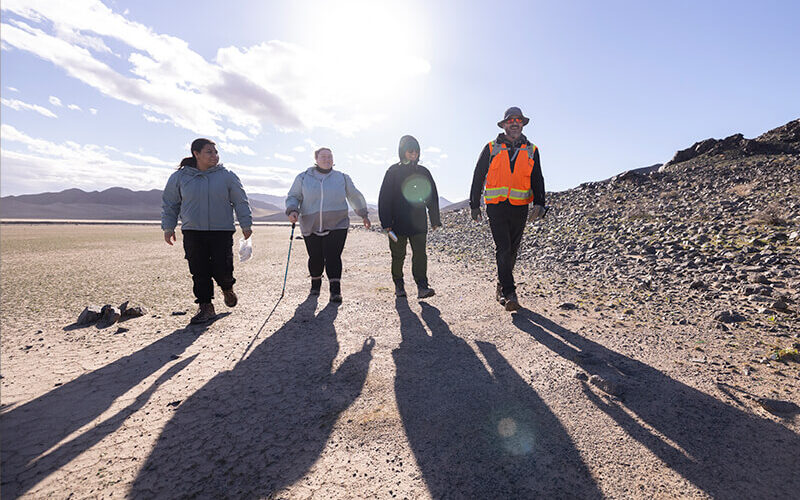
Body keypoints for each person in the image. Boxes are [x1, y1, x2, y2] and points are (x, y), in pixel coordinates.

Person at [162, 138, 253, 324]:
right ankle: (206, 307)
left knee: (223, 266)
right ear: (196, 154)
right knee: (198, 269)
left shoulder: (227, 175)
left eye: (215, 152)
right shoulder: (180, 177)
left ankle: (227, 288)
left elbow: (240, 200)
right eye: (209, 152)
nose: (214, 155)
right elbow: (171, 204)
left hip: (222, 230)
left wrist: (246, 224)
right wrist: (168, 227)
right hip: (193, 231)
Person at [470, 107, 545, 311]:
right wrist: (474, 204)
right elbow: (478, 175)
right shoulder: (491, 148)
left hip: (520, 207)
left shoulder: (532, 150)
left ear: (522, 124)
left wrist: (540, 203)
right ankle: (510, 293)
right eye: (510, 120)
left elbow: (537, 178)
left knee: (512, 251)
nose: (514, 123)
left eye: (518, 120)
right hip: (496, 206)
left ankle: (501, 286)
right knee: (503, 248)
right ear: (503, 125)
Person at [285, 147, 370, 302]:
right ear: (316, 159)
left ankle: (335, 291)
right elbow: (293, 196)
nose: (327, 159)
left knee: (333, 256)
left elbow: (354, 196)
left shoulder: (342, 178)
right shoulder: (303, 178)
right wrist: (292, 210)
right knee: (315, 257)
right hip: (310, 223)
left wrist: (363, 214)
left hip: (338, 223)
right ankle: (315, 286)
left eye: (330, 156)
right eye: (323, 156)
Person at [378, 135, 441, 299]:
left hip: (419, 223)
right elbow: (384, 198)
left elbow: (432, 196)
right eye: (410, 151)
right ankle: (399, 285)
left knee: (420, 254)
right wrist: (386, 223)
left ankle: (422, 286)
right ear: (402, 152)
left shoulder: (423, 171)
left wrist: (434, 219)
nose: (413, 154)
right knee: (398, 255)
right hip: (396, 224)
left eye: (416, 151)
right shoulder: (393, 171)